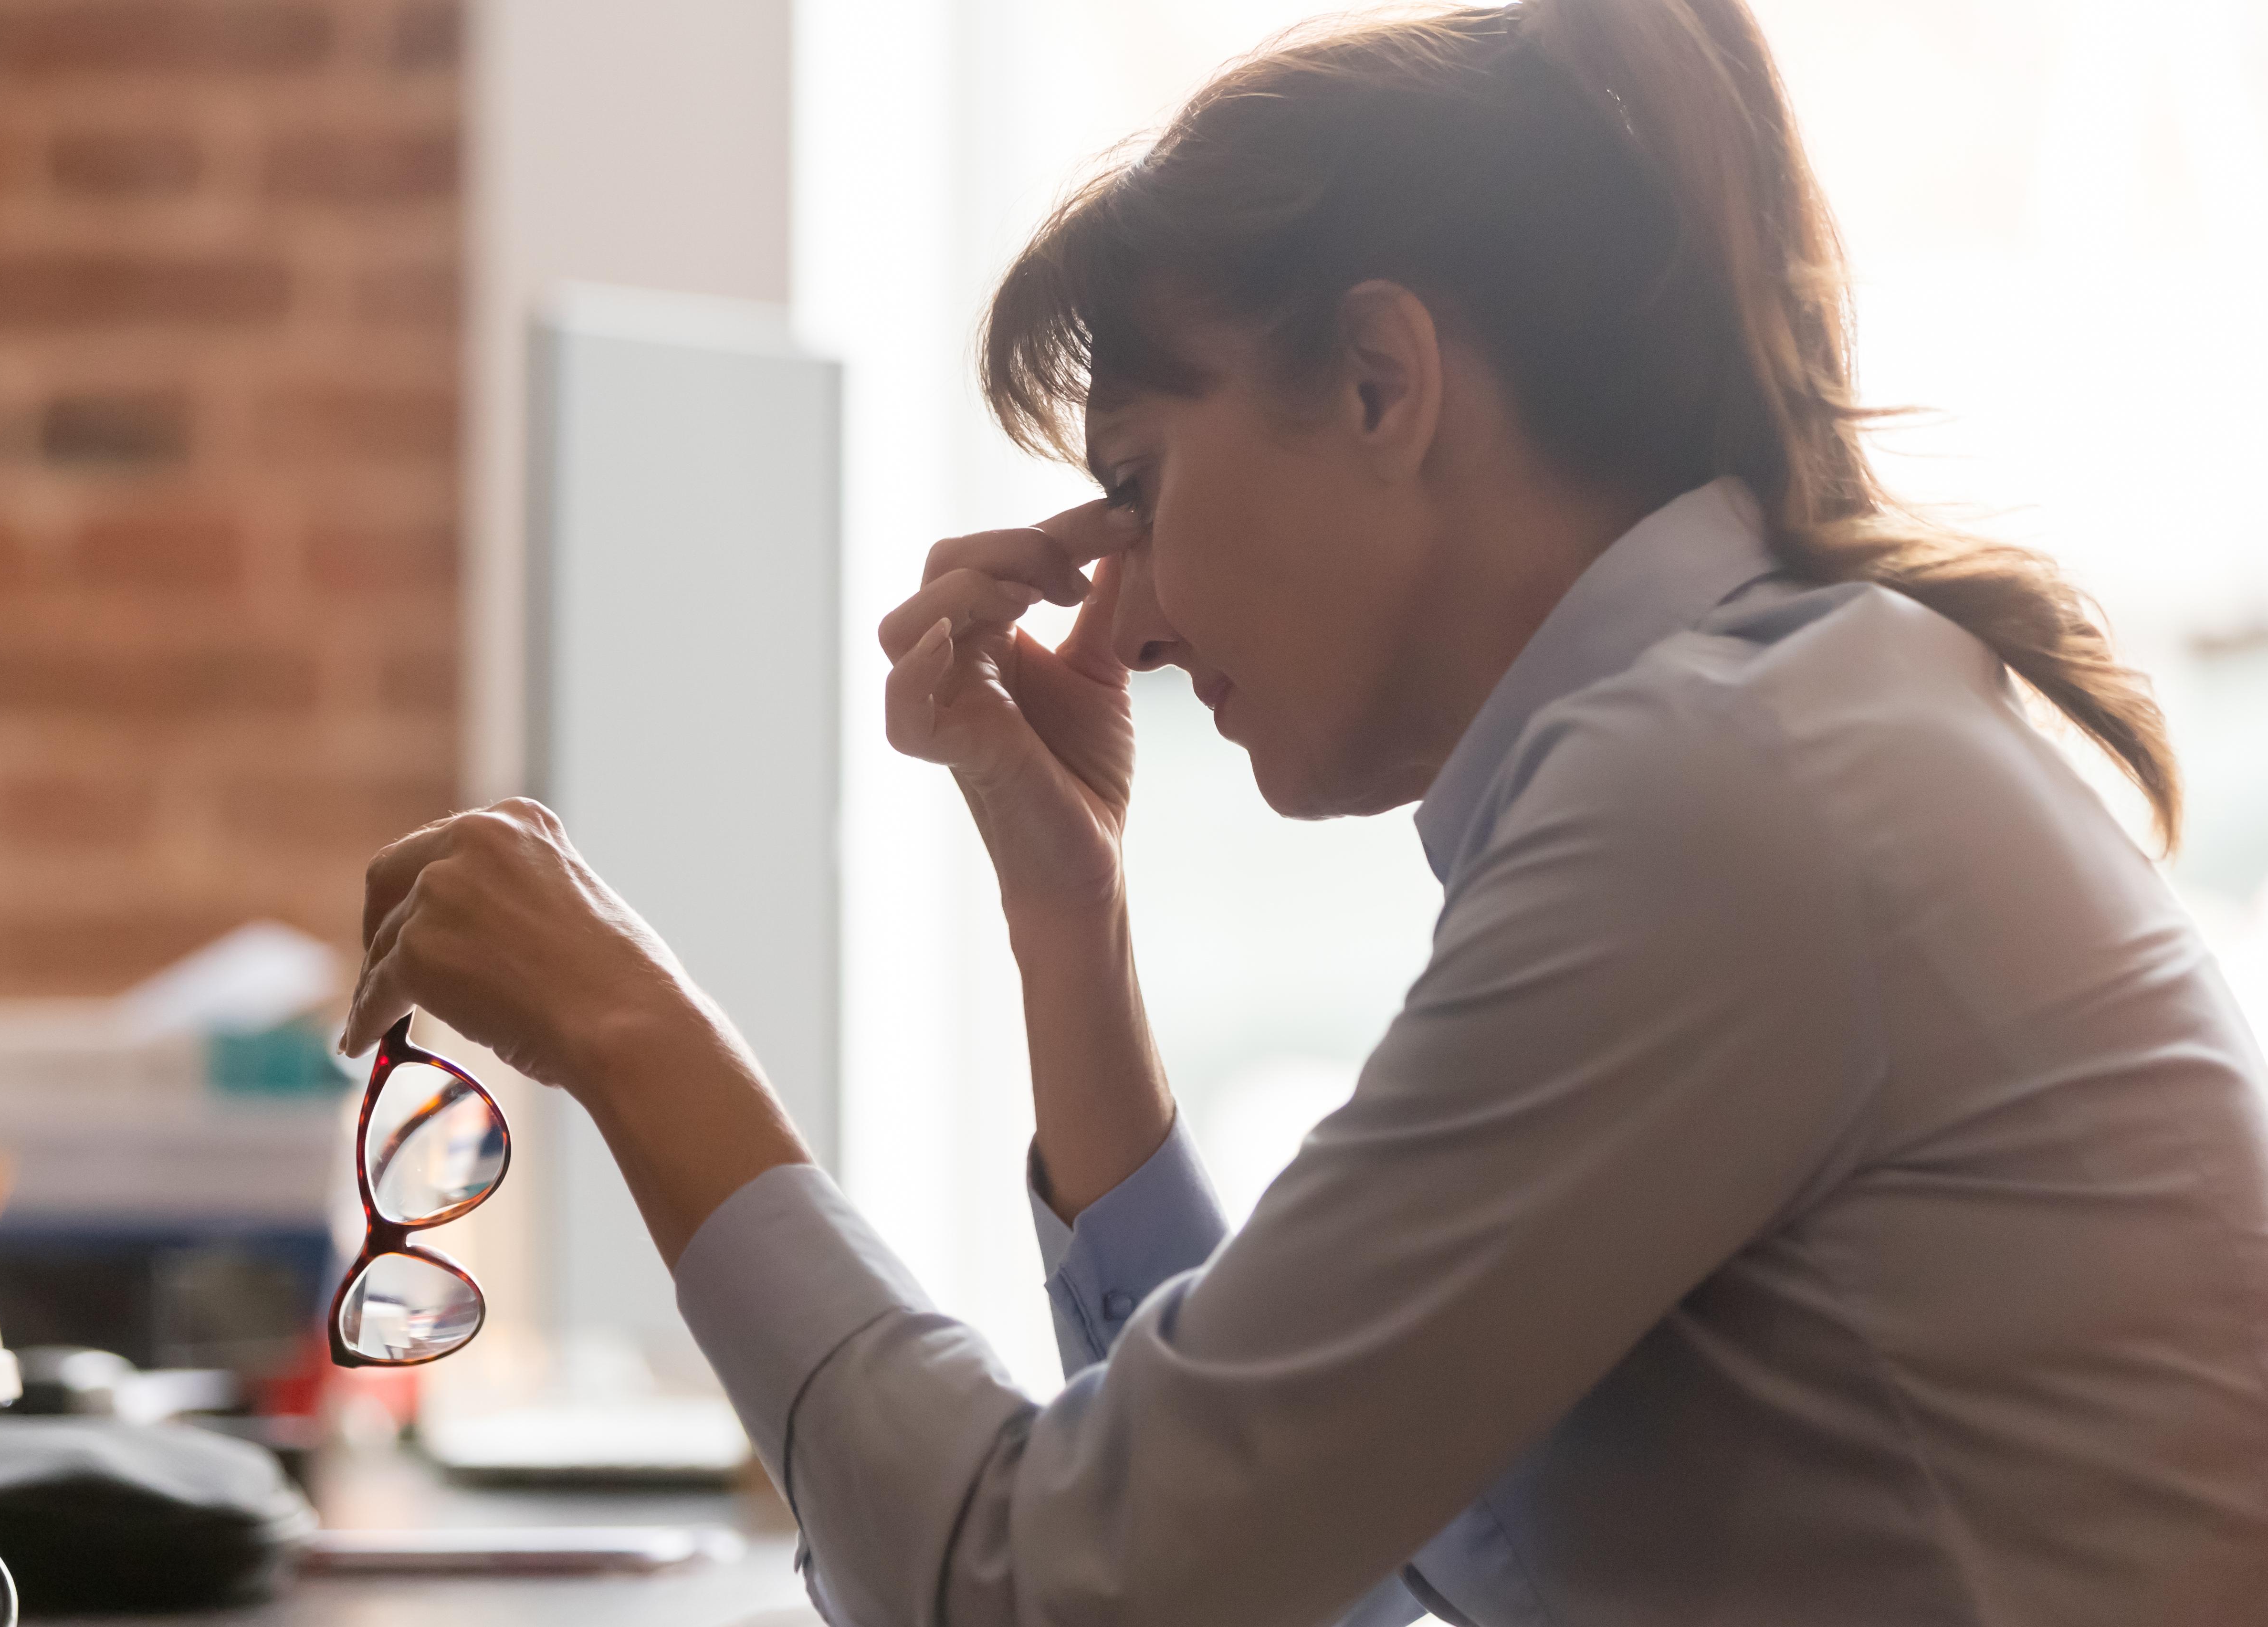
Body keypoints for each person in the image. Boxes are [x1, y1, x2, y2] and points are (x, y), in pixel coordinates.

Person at [337, 0, 2268, 1620]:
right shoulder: (1758, 728)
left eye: (1142, 490)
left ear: (1377, 382)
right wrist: (1064, 916)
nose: (1130, 613)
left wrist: (637, 1039)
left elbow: (1049, 1591)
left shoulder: (1719, 805)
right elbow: (1293, 1567)